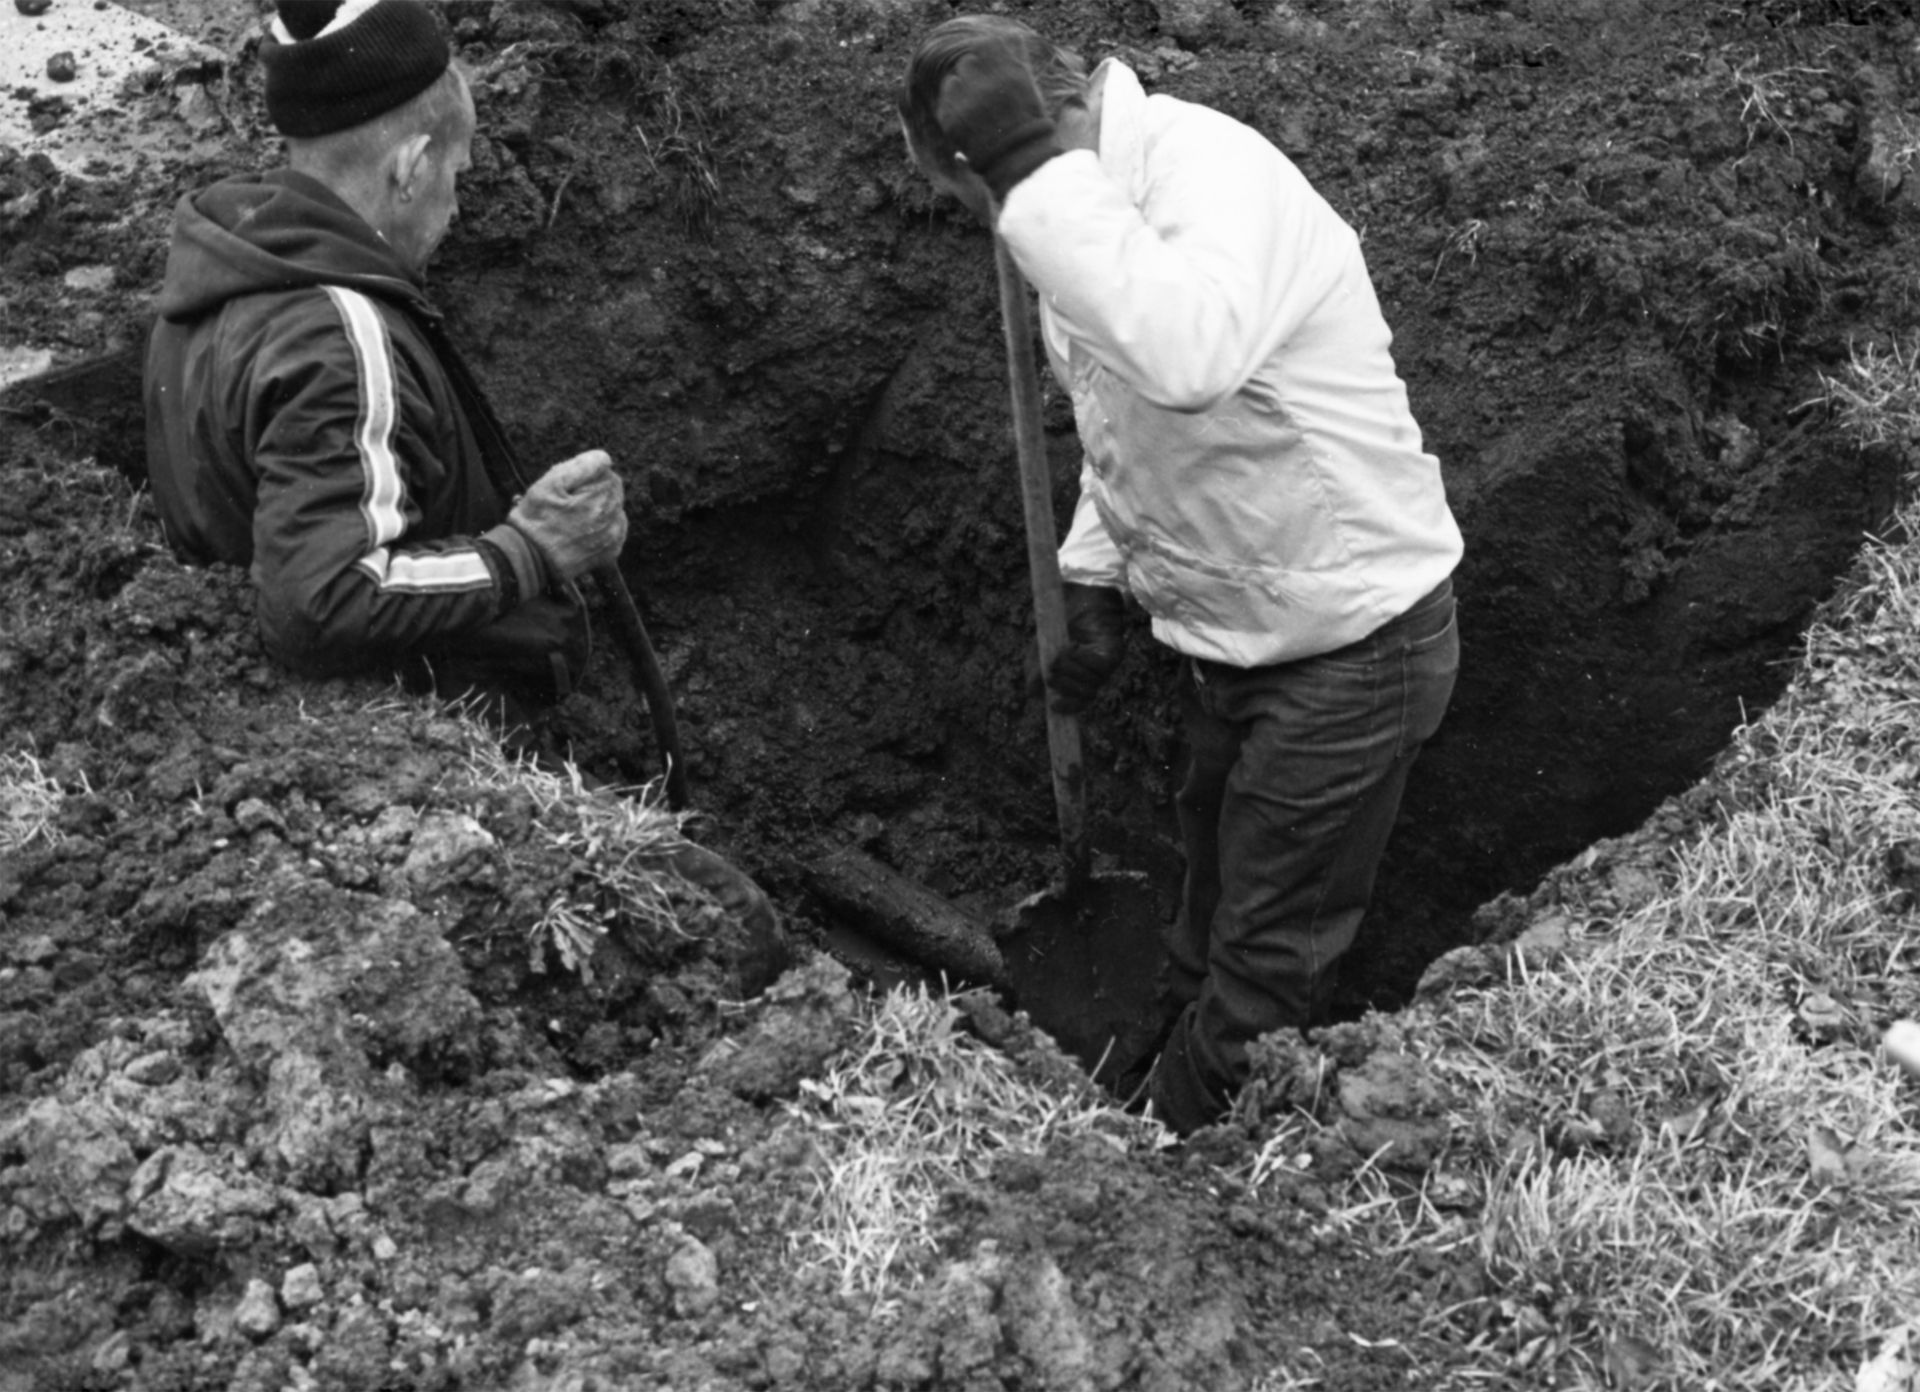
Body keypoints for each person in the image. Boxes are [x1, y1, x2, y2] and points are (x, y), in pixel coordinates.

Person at [899, 17, 1464, 1134]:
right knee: (1205, 898)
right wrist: (1098, 581)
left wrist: (1024, 179)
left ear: (1006, 154)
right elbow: (1125, 424)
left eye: (978, 201)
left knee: (1265, 962)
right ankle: (1158, 1044)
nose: (995, 229)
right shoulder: (1083, 208)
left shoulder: (1206, 175)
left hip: (1355, 648)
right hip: (1239, 643)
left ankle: (1171, 1158)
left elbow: (1188, 358)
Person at [144, 0, 775, 935]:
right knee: (714, 927)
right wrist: (530, 552)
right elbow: (319, 601)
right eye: (456, 173)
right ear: (407, 166)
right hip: (398, 760)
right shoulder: (339, 333)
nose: (457, 201)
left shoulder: (229, 270)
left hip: (287, 743)